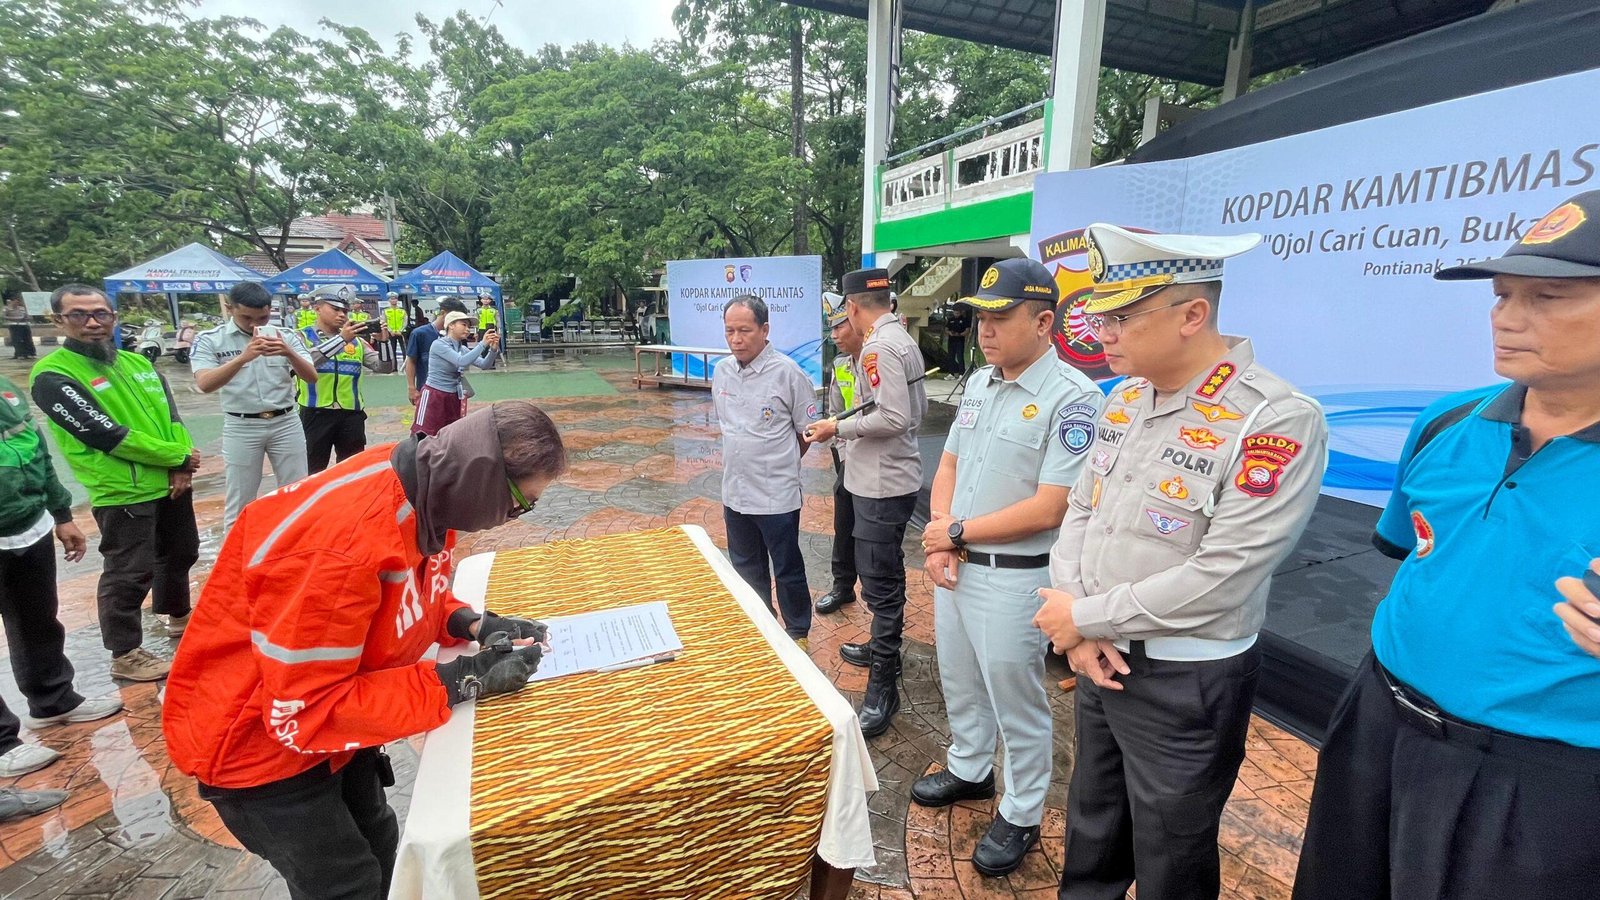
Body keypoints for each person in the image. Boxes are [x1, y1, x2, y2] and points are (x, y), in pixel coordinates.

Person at [1293, 191, 1600, 900]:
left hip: (1541, 779)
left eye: (1547, 297)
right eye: (1502, 295)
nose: (1506, 318)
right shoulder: (1446, 422)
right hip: (1378, 723)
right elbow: (1414, 555)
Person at [163, 401, 567, 900]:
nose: (514, 517)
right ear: (484, 480)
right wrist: (460, 679)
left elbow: (405, 591)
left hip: (334, 730)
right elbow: (305, 711)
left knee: (379, 840)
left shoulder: (430, 486)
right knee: (345, 884)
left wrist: (471, 622)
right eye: (520, 503)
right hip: (256, 749)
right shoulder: (341, 546)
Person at [1033, 224, 1328, 900]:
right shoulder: (1126, 398)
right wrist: (1078, 624)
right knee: (1093, 827)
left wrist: (1085, 617)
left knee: (1173, 853)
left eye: (1121, 317)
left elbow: (1227, 573)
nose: (1100, 333)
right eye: (1099, 315)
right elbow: (1081, 510)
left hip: (1184, 677)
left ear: (1192, 315)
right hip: (1099, 653)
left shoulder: (1273, 418)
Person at [913, 259, 1103, 877]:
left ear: (1044, 322)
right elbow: (948, 465)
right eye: (980, 318)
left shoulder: (1073, 399)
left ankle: (1021, 811)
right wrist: (942, 540)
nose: (985, 330)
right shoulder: (980, 383)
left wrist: (955, 533)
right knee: (959, 676)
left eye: (1000, 317)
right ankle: (970, 767)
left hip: (1016, 577)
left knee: (1015, 698)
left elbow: (1051, 506)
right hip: (958, 565)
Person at [30, 284, 201, 682]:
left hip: (170, 481)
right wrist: (175, 458)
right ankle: (124, 652)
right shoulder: (53, 376)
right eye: (79, 314)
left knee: (181, 553)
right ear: (58, 320)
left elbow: (172, 417)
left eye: (100, 313)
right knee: (129, 572)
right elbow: (105, 434)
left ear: (114, 317)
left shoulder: (138, 363)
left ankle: (178, 616)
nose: (92, 322)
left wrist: (182, 464)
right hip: (121, 490)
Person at [803, 268, 927, 736]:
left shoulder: (878, 347)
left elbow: (894, 417)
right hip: (884, 477)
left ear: (853, 307)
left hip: (880, 482)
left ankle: (883, 683)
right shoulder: (902, 339)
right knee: (882, 574)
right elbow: (917, 412)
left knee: (880, 584)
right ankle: (881, 648)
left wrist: (839, 427)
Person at [0, 372, 123, 778]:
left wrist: (61, 513)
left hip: (27, 525)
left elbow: (38, 451)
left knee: (37, 620)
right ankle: (2, 744)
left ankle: (53, 701)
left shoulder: (6, 390)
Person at [713, 295, 817, 647]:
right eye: (730, 331)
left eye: (744, 330)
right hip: (735, 491)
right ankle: (760, 625)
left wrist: (780, 463)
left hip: (776, 494)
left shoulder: (788, 374)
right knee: (746, 566)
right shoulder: (722, 371)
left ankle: (798, 631)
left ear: (765, 329)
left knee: (787, 567)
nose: (736, 339)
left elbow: (806, 433)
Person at [191, 282, 318, 533]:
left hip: (285, 422)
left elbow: (311, 377)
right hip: (242, 425)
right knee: (241, 496)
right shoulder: (211, 339)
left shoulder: (286, 336)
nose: (254, 325)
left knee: (297, 490)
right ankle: (237, 553)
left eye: (262, 318)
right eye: (246, 317)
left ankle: (295, 544)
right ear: (229, 308)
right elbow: (205, 384)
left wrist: (289, 353)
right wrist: (243, 358)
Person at [296, 284, 387, 474]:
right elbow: (307, 362)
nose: (341, 315)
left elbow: (384, 367)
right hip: (315, 413)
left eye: (345, 311)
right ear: (317, 308)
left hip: (351, 414)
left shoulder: (357, 341)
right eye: (335, 309)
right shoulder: (301, 337)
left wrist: (384, 342)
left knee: (352, 472)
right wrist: (341, 340)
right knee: (311, 470)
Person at [815, 292, 861, 616]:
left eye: (839, 326)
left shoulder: (879, 361)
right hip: (850, 456)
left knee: (873, 536)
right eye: (831, 328)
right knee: (843, 524)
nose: (833, 335)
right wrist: (843, 455)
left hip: (878, 459)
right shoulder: (841, 365)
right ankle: (842, 587)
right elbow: (834, 413)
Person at [415, 311, 500, 438]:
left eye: (469, 326)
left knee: (450, 435)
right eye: (464, 325)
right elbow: (461, 361)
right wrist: (482, 344)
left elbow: (484, 365)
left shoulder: (462, 349)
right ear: (451, 325)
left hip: (453, 395)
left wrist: (493, 349)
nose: (467, 329)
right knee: (424, 434)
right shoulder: (439, 344)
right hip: (434, 395)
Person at [405, 298, 470, 409]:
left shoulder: (458, 336)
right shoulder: (420, 334)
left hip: (452, 391)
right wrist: (411, 387)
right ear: (443, 313)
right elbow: (411, 361)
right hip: (428, 391)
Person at [5, 293, 35, 360]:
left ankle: (30, 354)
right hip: (14, 326)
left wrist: (26, 318)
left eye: (18, 302)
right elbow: (3, 316)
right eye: (15, 301)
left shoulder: (22, 308)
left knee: (28, 340)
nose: (17, 303)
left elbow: (28, 316)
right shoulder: (7, 309)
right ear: (12, 301)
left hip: (24, 325)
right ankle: (19, 354)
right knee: (17, 340)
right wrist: (15, 318)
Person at [945, 301, 971, 375]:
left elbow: (967, 330)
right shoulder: (951, 319)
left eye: (957, 313)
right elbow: (946, 329)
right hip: (951, 340)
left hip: (959, 340)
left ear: (960, 312)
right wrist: (950, 333)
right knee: (951, 357)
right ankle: (951, 373)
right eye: (955, 312)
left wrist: (959, 334)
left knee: (960, 356)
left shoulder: (964, 320)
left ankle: (961, 373)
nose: (956, 314)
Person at [383, 292, 408, 363]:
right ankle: (394, 366)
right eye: (392, 299)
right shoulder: (386, 311)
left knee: (404, 350)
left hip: (401, 333)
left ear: (397, 300)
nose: (393, 300)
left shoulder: (402, 310)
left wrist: (401, 330)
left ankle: (406, 364)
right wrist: (390, 331)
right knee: (392, 350)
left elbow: (405, 321)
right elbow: (384, 322)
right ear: (389, 300)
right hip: (391, 333)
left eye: (395, 299)